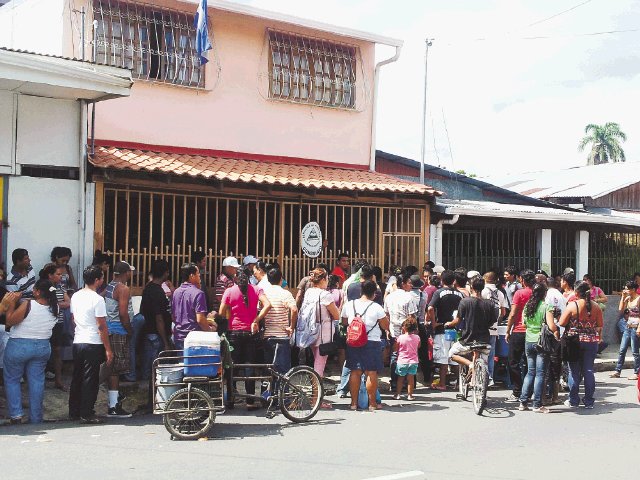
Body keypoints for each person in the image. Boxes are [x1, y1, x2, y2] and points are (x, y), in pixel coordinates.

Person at [3, 281, 57, 424]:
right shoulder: (55, 307)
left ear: (38, 292)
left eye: (34, 289)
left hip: (19, 345)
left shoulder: (29, 304)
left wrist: (12, 303)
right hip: (43, 346)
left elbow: (9, 321)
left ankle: (16, 415)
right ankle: (36, 417)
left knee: (12, 379)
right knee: (37, 382)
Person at [219, 271, 271, 410]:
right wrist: (256, 320)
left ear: (236, 279)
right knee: (250, 366)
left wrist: (228, 318)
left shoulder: (229, 291)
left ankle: (230, 400)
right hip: (251, 333)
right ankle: (250, 401)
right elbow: (267, 305)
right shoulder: (256, 289)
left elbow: (221, 312)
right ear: (249, 279)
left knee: (232, 366)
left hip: (234, 333)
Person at [69, 266, 113, 424]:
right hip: (93, 342)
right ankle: (86, 412)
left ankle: (74, 411)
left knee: (77, 377)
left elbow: (73, 319)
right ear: (97, 280)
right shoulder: (98, 299)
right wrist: (108, 349)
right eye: (101, 277)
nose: (103, 280)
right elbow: (101, 326)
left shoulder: (75, 296)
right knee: (90, 379)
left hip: (78, 340)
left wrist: (79, 331)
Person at [341, 280, 389, 411]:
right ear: (374, 293)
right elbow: (385, 325)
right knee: (371, 372)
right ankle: (372, 404)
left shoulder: (350, 304)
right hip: (372, 342)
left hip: (353, 341)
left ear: (361, 291)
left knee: (355, 372)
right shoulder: (376, 307)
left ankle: (353, 403)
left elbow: (344, 321)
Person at [558, 281, 604, 409]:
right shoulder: (596, 307)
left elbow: (562, 323)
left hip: (574, 342)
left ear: (577, 292)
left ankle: (573, 400)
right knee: (588, 370)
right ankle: (589, 401)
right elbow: (600, 325)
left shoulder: (573, 306)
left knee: (574, 371)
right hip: (591, 342)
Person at [102, 261, 135, 418]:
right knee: (115, 369)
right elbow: (123, 314)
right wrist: (129, 330)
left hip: (109, 328)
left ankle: (113, 403)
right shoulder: (123, 288)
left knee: (112, 368)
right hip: (118, 330)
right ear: (126, 272)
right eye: (130, 272)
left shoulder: (110, 286)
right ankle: (113, 406)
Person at [518, 282, 557, 413]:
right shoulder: (547, 306)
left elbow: (524, 324)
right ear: (544, 294)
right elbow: (551, 326)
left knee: (530, 372)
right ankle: (537, 404)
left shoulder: (528, 306)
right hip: (541, 342)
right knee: (540, 374)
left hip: (528, 340)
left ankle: (523, 402)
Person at [445, 276, 493, 373]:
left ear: (471, 287)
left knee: (451, 354)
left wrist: (448, 324)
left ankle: (470, 364)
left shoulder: (465, 301)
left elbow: (457, 320)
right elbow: (492, 321)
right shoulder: (490, 303)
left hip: (468, 340)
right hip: (485, 340)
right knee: (484, 361)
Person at [301, 268, 340, 380]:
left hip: (311, 331)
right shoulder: (325, 295)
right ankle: (316, 395)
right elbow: (336, 315)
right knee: (319, 366)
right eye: (327, 278)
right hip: (323, 334)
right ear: (323, 279)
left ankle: (316, 392)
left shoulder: (309, 292)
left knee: (316, 361)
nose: (328, 281)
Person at [427, 270, 463, 390]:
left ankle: (442, 383)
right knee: (455, 357)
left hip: (442, 329)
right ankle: (460, 384)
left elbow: (430, 308)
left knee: (443, 358)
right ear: (454, 281)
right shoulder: (460, 294)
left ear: (442, 280)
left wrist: (433, 323)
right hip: (456, 329)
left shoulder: (439, 292)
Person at [505, 269, 535, 402]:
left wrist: (508, 330)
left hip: (518, 330)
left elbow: (513, 313)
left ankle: (517, 390)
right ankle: (530, 391)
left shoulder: (520, 293)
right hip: (533, 332)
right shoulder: (537, 293)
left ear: (522, 280)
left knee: (513, 361)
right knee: (531, 363)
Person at [39, 263, 70, 391]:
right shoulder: (42, 287)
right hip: (44, 323)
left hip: (58, 323)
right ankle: (39, 381)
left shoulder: (60, 287)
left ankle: (58, 380)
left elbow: (68, 302)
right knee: (41, 352)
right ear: (50, 275)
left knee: (57, 352)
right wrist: (58, 304)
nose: (60, 277)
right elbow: (43, 304)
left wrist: (55, 304)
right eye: (58, 274)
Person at [141, 260, 172, 381]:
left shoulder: (148, 288)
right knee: (155, 366)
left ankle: (148, 387)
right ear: (165, 273)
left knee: (149, 363)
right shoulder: (157, 292)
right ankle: (151, 390)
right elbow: (159, 318)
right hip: (156, 334)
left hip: (150, 331)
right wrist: (165, 341)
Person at [262, 268, 297, 374]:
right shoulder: (285, 294)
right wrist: (291, 326)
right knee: (283, 370)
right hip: (282, 335)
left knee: (268, 369)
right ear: (281, 279)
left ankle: (267, 390)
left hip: (267, 335)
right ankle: (282, 390)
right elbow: (294, 309)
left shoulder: (264, 294)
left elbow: (259, 311)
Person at [172, 263, 215, 351]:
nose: (199, 276)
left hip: (178, 337)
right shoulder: (198, 293)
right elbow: (200, 319)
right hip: (194, 339)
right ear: (192, 276)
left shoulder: (176, 292)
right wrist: (210, 330)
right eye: (198, 274)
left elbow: (173, 316)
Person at [610, 281, 640, 380]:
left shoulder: (638, 299)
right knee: (622, 350)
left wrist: (639, 328)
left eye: (628, 289)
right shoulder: (628, 298)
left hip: (635, 327)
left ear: (633, 289)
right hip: (628, 327)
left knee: (635, 351)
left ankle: (636, 372)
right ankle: (617, 370)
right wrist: (623, 297)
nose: (626, 290)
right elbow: (620, 309)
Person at [481, 271, 506, 384]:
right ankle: (490, 377)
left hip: (482, 326)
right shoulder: (500, 293)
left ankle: (480, 376)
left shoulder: (482, 291)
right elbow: (503, 311)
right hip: (494, 326)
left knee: (480, 352)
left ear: (484, 279)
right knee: (491, 353)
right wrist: (497, 321)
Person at [394, 317, 420, 400]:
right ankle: (410, 395)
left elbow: (396, 348)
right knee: (411, 379)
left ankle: (397, 394)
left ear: (404, 327)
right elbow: (418, 346)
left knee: (400, 379)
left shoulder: (400, 338)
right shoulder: (417, 337)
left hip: (402, 361)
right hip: (413, 361)